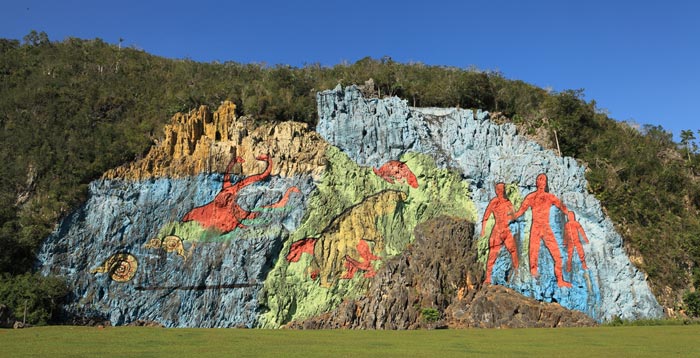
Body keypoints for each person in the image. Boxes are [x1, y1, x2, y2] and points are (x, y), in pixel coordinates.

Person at [512, 173, 572, 288]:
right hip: (535, 227)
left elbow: (563, 207)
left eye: (544, 179)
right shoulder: (531, 197)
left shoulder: (550, 197)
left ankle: (560, 280)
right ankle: (533, 276)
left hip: (546, 228)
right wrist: (511, 217)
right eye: (540, 179)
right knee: (533, 253)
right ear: (537, 182)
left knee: (558, 257)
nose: (542, 181)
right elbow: (521, 211)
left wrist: (569, 215)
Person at [481, 182, 519, 284]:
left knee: (513, 251)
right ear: (497, 191)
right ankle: (488, 277)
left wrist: (511, 214)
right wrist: (483, 231)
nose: (501, 191)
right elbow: (486, 216)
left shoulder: (508, 203)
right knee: (493, 253)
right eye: (499, 189)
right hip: (497, 231)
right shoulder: (494, 202)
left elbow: (514, 216)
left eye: (502, 189)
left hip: (506, 231)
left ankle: (517, 274)